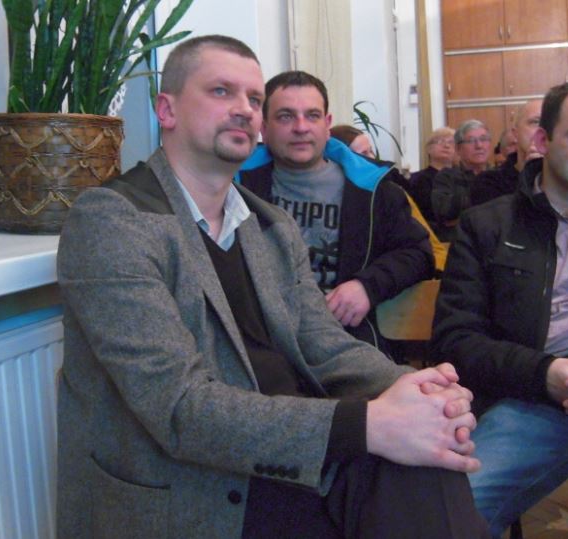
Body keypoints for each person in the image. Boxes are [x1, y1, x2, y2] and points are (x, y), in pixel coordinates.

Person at [57, 35, 488, 538]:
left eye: (254, 98)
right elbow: (180, 409)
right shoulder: (113, 220)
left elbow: (323, 344)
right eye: (221, 91)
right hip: (197, 485)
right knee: (417, 472)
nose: (244, 109)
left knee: (429, 461)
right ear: (166, 110)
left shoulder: (269, 225)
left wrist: (418, 391)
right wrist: (371, 425)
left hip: (295, 451)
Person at [431, 79, 568, 538]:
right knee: (449, 517)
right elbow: (456, 340)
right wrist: (544, 374)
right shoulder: (488, 225)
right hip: (539, 400)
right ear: (542, 140)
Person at [239, 72, 434, 358]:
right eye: (285, 116)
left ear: (327, 125)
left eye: (313, 115)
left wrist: (367, 286)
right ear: (264, 128)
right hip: (259, 345)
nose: (301, 127)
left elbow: (418, 253)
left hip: (346, 339)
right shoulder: (233, 186)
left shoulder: (372, 188)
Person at [330, 124, 448, 273]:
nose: (372, 158)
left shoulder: (389, 192)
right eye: (364, 153)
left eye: (371, 151)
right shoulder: (329, 196)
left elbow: (428, 246)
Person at [471, 99, 544, 207]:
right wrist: (529, 175)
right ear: (516, 133)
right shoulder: (489, 182)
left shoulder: (565, 179)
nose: (543, 129)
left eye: (550, 123)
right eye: (535, 122)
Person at [431, 119, 492, 241]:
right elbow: (445, 212)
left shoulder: (499, 175)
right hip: (460, 241)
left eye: (484, 139)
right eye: (471, 141)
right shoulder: (447, 177)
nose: (479, 146)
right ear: (458, 149)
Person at [409, 127, 456, 228]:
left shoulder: (462, 178)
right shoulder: (416, 179)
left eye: (451, 142)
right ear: (429, 149)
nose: (446, 145)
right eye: (440, 141)